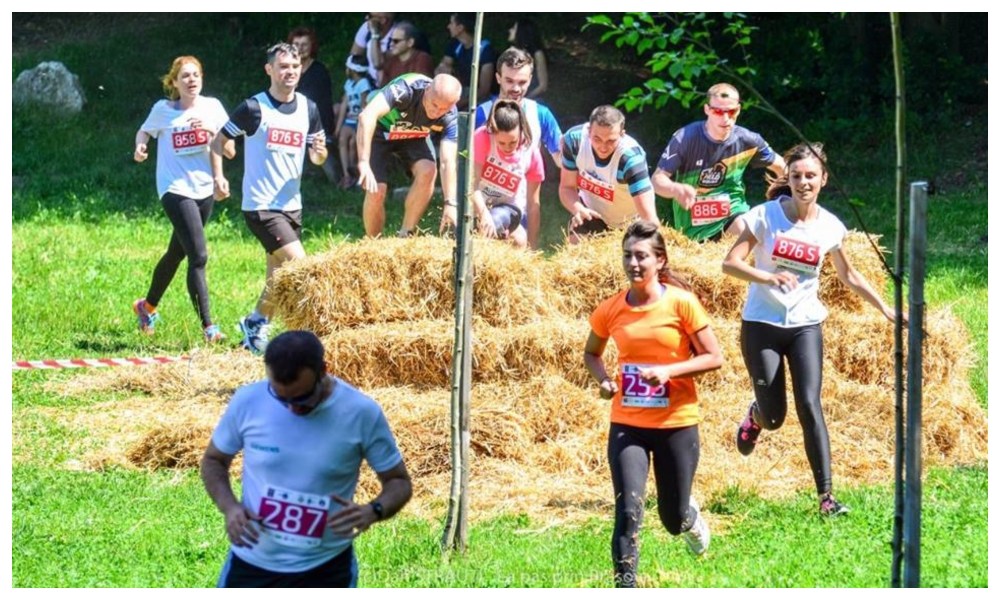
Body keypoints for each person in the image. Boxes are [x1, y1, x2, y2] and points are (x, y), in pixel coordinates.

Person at [721, 142, 902, 516]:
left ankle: (826, 497)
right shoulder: (765, 216)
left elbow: (849, 275)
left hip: (805, 325)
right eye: (797, 176)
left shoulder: (830, 226)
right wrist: (767, 277)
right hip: (762, 325)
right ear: (787, 178)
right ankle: (756, 416)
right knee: (775, 417)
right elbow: (731, 263)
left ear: (823, 180)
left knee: (809, 403)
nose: (803, 183)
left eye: (811, 176)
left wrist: (885, 307)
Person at [201, 330, 413, 587]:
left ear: (324, 370)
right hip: (251, 565)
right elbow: (214, 461)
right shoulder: (249, 401)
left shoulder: (360, 413)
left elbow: (399, 482)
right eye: (281, 398)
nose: (293, 408)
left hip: (326, 569)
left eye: (302, 398)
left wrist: (374, 510)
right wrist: (230, 507)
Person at [584, 220, 723, 586]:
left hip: (676, 423)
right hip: (628, 424)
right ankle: (625, 584)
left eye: (641, 256)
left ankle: (689, 517)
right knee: (628, 510)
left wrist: (669, 372)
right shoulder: (611, 309)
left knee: (671, 519)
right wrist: (604, 381)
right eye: (627, 256)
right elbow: (591, 353)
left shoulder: (682, 304)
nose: (633, 263)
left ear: (659, 260)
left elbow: (714, 357)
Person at [211, 43, 327, 354]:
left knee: (278, 275)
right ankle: (311, 335)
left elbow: (318, 156)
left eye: (295, 66)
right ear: (269, 70)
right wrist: (219, 176)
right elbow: (219, 141)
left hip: (292, 206)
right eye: (283, 67)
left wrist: (319, 153)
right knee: (301, 267)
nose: (290, 72)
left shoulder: (309, 108)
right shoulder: (254, 108)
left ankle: (255, 323)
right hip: (261, 206)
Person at [132, 55, 232, 343]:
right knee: (198, 256)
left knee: (177, 253)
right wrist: (140, 146)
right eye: (185, 76)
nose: (191, 80)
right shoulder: (163, 110)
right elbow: (144, 131)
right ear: (174, 82)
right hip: (174, 188)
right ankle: (209, 327)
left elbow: (230, 150)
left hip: (204, 190)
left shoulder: (213, 107)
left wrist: (212, 131)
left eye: (195, 75)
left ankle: (146, 307)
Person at [652, 83, 785, 242]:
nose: (725, 118)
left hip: (735, 213)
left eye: (731, 111)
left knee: (751, 230)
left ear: (738, 109)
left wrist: (782, 205)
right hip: (692, 227)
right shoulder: (685, 138)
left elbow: (782, 167)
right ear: (707, 110)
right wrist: (675, 189)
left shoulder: (749, 139)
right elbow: (657, 180)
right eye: (718, 111)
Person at [356, 73, 461, 238]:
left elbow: (448, 161)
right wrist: (363, 161)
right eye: (434, 104)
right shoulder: (405, 90)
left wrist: (450, 202)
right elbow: (366, 116)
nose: (436, 112)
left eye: (443, 109)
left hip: (413, 134)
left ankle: (406, 234)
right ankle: (373, 242)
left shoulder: (451, 115)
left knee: (428, 170)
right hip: (380, 129)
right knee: (376, 190)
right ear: (427, 90)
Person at [559, 105, 658, 244]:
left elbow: (648, 215)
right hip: (590, 211)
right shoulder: (574, 141)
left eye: (611, 141)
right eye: (597, 139)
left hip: (628, 221)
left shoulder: (631, 159)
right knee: (575, 246)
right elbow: (567, 187)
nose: (603, 147)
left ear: (622, 134)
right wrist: (578, 209)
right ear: (589, 131)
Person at [470, 100, 544, 249]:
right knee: (509, 236)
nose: (507, 148)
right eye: (501, 143)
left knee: (499, 227)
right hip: (478, 203)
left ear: (521, 130)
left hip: (509, 208)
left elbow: (533, 204)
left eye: (513, 142)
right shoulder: (482, 138)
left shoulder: (530, 153)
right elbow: (472, 184)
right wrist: (483, 213)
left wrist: (532, 248)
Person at [474, 46, 562, 167]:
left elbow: (561, 158)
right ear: (498, 78)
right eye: (509, 81)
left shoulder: (541, 113)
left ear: (530, 80)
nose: (516, 88)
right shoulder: (481, 113)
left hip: (527, 179)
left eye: (522, 82)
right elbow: (464, 158)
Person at [288, 26, 339, 185]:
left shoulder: (319, 71)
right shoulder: (288, 70)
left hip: (318, 123)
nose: (300, 48)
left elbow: (316, 102)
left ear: (312, 47)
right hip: (292, 120)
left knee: (332, 174)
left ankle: (339, 181)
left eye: (304, 44)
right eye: (296, 44)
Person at [435, 13, 496, 110]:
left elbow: (484, 90)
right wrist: (445, 69)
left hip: (480, 100)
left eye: (451, 23)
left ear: (460, 28)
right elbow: (440, 70)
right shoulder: (455, 45)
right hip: (459, 92)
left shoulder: (484, 49)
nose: (448, 26)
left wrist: (459, 104)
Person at [334, 54, 374, 189]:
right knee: (342, 139)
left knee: (353, 144)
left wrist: (362, 126)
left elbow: (364, 105)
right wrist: (338, 127)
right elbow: (344, 105)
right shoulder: (349, 84)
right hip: (349, 119)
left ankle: (354, 173)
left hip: (359, 120)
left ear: (352, 69)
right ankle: (346, 175)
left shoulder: (364, 84)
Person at [380, 21, 434, 86]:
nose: (391, 44)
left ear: (410, 42)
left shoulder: (422, 59)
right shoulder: (390, 61)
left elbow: (421, 87)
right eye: (390, 40)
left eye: (396, 41)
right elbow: (383, 88)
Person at [350, 12, 397, 84]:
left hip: (387, 84)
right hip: (367, 81)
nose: (366, 18)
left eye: (370, 16)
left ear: (383, 20)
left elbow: (378, 64)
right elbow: (354, 56)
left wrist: (375, 34)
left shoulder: (398, 36)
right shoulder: (366, 28)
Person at [507, 18, 549, 100]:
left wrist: (524, 99)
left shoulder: (538, 54)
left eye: (514, 28)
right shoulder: (513, 52)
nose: (510, 30)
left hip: (532, 99)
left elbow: (542, 86)